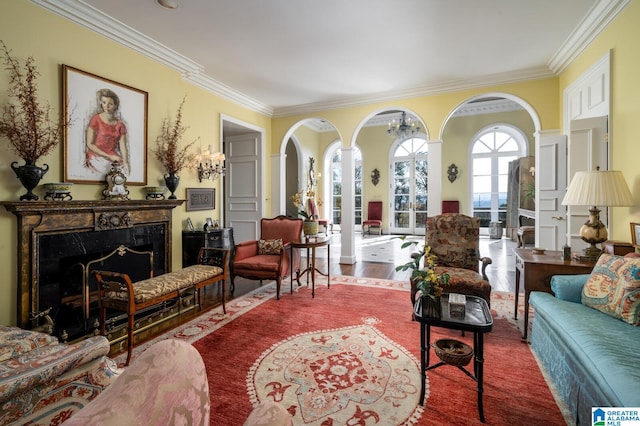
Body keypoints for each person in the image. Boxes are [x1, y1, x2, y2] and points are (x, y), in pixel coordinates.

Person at [84, 88, 129, 175]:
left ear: (115, 105)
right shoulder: (95, 119)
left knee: (123, 173)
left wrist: (126, 163)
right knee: (108, 171)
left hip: (113, 156)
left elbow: (123, 147)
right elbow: (90, 144)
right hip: (97, 155)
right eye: (104, 102)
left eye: (110, 104)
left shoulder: (120, 125)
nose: (106, 106)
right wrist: (109, 156)